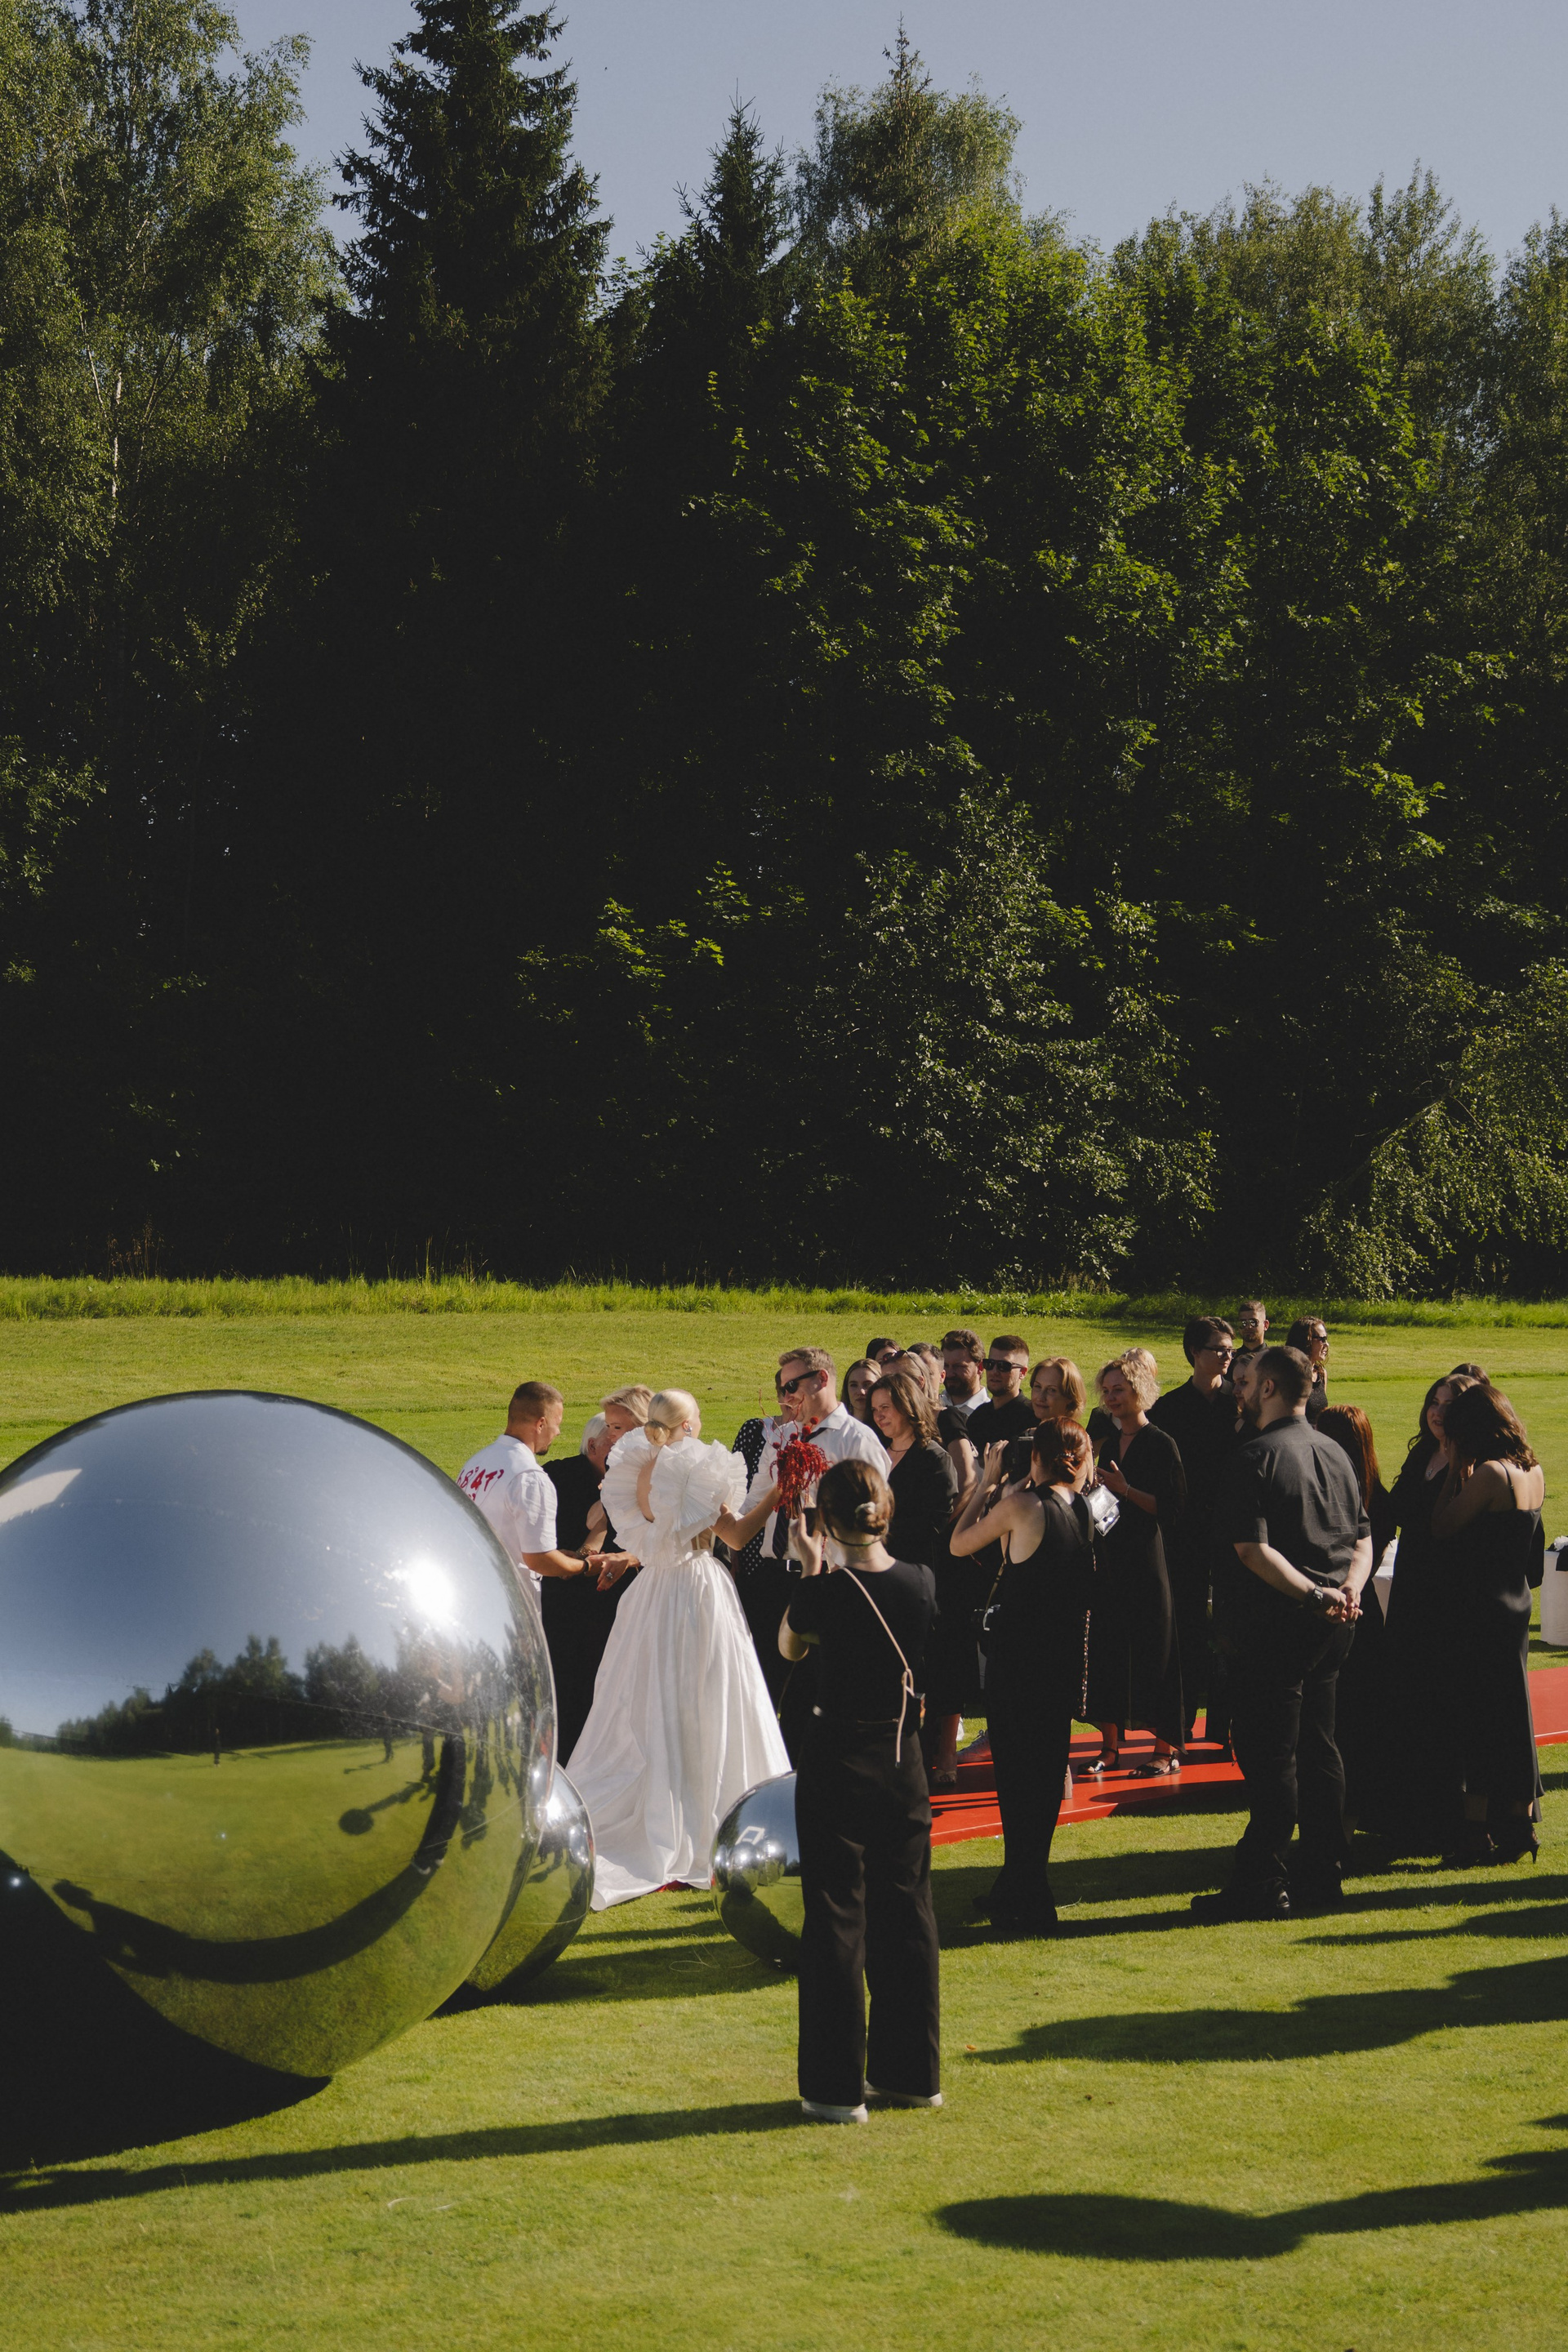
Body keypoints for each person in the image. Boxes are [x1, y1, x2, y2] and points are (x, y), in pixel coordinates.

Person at [569, 1389, 790, 1904]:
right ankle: (705, 1805)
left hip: (652, 1593)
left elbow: (649, 1540)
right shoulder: (694, 1467)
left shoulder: (637, 1465)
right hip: (694, 1591)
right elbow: (736, 1536)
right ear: (687, 1425)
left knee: (653, 1697)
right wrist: (776, 1495)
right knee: (705, 1697)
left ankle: (667, 1795)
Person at [782, 1458, 941, 2124]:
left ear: (826, 1519)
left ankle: (834, 2087)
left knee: (835, 1919)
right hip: (902, 1761)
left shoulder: (823, 1592)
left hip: (837, 1762)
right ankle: (912, 2074)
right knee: (907, 1912)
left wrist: (809, 1567)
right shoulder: (922, 1581)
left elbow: (789, 1648)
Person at [1193, 1346, 1371, 1920]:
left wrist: (1318, 1595)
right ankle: (1323, 1871)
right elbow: (1364, 1538)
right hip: (1331, 1626)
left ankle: (1263, 1880)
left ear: (1269, 1388)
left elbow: (1252, 1550)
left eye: (1246, 1383)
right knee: (1320, 1747)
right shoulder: (1336, 1451)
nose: (1239, 1391)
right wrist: (1348, 1590)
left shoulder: (1253, 1457)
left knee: (1273, 1758)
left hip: (1273, 1627)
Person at [950, 1419, 1098, 1934]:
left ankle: (1028, 1894)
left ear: (1037, 1457)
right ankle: (1019, 1884)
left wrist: (985, 1484)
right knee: (1044, 1776)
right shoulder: (1083, 1509)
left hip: (1018, 1662)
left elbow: (959, 1544)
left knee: (1016, 1779)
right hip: (1060, 1660)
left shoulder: (1022, 1506)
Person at [1431, 1384, 1545, 1866]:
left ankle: (1475, 1830)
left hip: (1479, 1608)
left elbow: (1441, 1526)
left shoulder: (1491, 1475)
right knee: (1513, 1714)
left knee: (1477, 1717)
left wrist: (1454, 1473)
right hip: (1515, 1603)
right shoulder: (1532, 1471)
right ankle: (1519, 1821)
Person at [1381, 1375, 1475, 1851]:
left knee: (1440, 1707)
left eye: (1448, 1404)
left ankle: (1446, 1821)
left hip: (1447, 1597)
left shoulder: (1473, 1464)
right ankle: (1407, 1819)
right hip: (1411, 1588)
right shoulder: (1422, 1454)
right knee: (1407, 1701)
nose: (1437, 1411)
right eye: (1433, 1402)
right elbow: (1396, 1509)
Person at [1085, 1352, 1187, 1775]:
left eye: (1119, 1390)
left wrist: (1126, 1490)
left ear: (1139, 1390)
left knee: (1156, 1650)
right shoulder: (1106, 1444)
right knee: (1107, 1649)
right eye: (1106, 1391)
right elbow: (1101, 1503)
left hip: (1148, 1560)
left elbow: (1174, 1509)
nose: (1111, 1398)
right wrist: (1094, 1494)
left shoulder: (1161, 1443)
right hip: (1109, 1559)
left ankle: (1165, 1750)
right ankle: (1109, 1748)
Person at [458, 1382, 630, 1604]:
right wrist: (585, 1565)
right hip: (508, 1596)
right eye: (557, 1424)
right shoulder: (530, 1477)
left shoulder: (477, 1462)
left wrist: (560, 1557)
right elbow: (539, 1559)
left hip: (472, 1583)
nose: (558, 1432)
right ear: (541, 1424)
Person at [1149, 1318, 1239, 1744]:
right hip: (1185, 1535)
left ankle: (1223, 1726)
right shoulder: (1169, 1409)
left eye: (1230, 1348)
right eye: (1219, 1348)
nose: (1227, 1355)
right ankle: (1179, 1724)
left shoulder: (1240, 1403)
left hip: (1233, 1531)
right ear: (1194, 1353)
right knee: (1185, 1627)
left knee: (1230, 1627)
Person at [543, 1396, 646, 1761]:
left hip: (617, 1604)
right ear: (592, 1446)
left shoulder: (635, 1480)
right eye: (612, 1438)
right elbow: (561, 1554)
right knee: (572, 1691)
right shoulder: (561, 1478)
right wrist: (593, 1544)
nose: (620, 1449)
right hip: (570, 1607)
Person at [1316, 1404, 1396, 1835]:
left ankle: (1337, 1824)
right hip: (1368, 1620)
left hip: (1335, 1610)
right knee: (1363, 1725)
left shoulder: (1333, 1495)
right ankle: (1353, 1820)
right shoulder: (1378, 1498)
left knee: (1338, 1724)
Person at [725, 1371, 791, 1704]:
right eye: (785, 1390)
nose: (790, 1398)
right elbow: (741, 1495)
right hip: (755, 1552)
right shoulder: (756, 1431)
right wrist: (733, 1553)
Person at [868, 1370, 960, 1572]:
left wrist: (875, 1528)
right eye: (874, 1409)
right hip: (873, 1565)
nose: (878, 1416)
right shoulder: (875, 1453)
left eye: (885, 1407)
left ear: (907, 1406)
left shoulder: (934, 1459)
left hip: (913, 1569)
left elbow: (934, 1523)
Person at [1285, 1318, 1330, 1421]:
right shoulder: (1289, 1375)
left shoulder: (1321, 1373)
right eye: (1322, 1339)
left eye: (1326, 1339)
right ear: (1306, 1341)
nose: (1327, 1344)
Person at [841, 1357, 881, 1423]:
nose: (861, 1392)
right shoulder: (837, 1425)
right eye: (854, 1385)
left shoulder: (888, 1426)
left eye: (867, 1385)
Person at [1235, 1299, 1269, 1372]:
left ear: (1265, 1325)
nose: (1248, 1327)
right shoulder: (1230, 1360)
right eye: (1243, 1323)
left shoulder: (1274, 1360)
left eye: (1253, 1322)